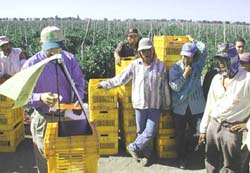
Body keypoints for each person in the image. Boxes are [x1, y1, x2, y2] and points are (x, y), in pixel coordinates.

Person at [97, 38, 171, 166]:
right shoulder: (135, 65)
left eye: (148, 51)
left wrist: (167, 104)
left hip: (155, 105)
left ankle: (133, 147)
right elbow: (121, 78)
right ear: (140, 53)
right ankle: (146, 155)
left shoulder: (160, 66)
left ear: (152, 50)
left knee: (151, 131)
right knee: (141, 132)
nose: (146, 54)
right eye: (144, 52)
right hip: (139, 105)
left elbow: (164, 87)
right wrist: (105, 84)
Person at [21, 26, 85, 173]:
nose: (54, 52)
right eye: (50, 48)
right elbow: (23, 96)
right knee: (45, 161)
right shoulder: (31, 65)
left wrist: (78, 97)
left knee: (67, 160)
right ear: (40, 43)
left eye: (57, 47)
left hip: (66, 117)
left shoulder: (69, 59)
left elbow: (79, 81)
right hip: (44, 120)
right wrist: (40, 97)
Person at [199, 43, 250, 173]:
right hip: (214, 125)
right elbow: (209, 105)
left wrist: (247, 125)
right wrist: (203, 129)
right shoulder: (216, 79)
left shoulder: (246, 79)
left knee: (232, 166)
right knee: (211, 162)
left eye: (224, 59)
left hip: (232, 129)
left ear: (233, 59)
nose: (220, 63)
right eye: (219, 59)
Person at [168, 36, 207, 169]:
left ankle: (192, 154)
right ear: (181, 55)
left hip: (197, 107)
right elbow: (174, 86)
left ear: (193, 56)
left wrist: (194, 40)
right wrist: (184, 75)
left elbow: (204, 49)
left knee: (197, 132)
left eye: (189, 57)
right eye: (184, 56)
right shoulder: (175, 68)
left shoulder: (198, 65)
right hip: (180, 107)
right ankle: (182, 158)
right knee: (179, 134)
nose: (186, 59)